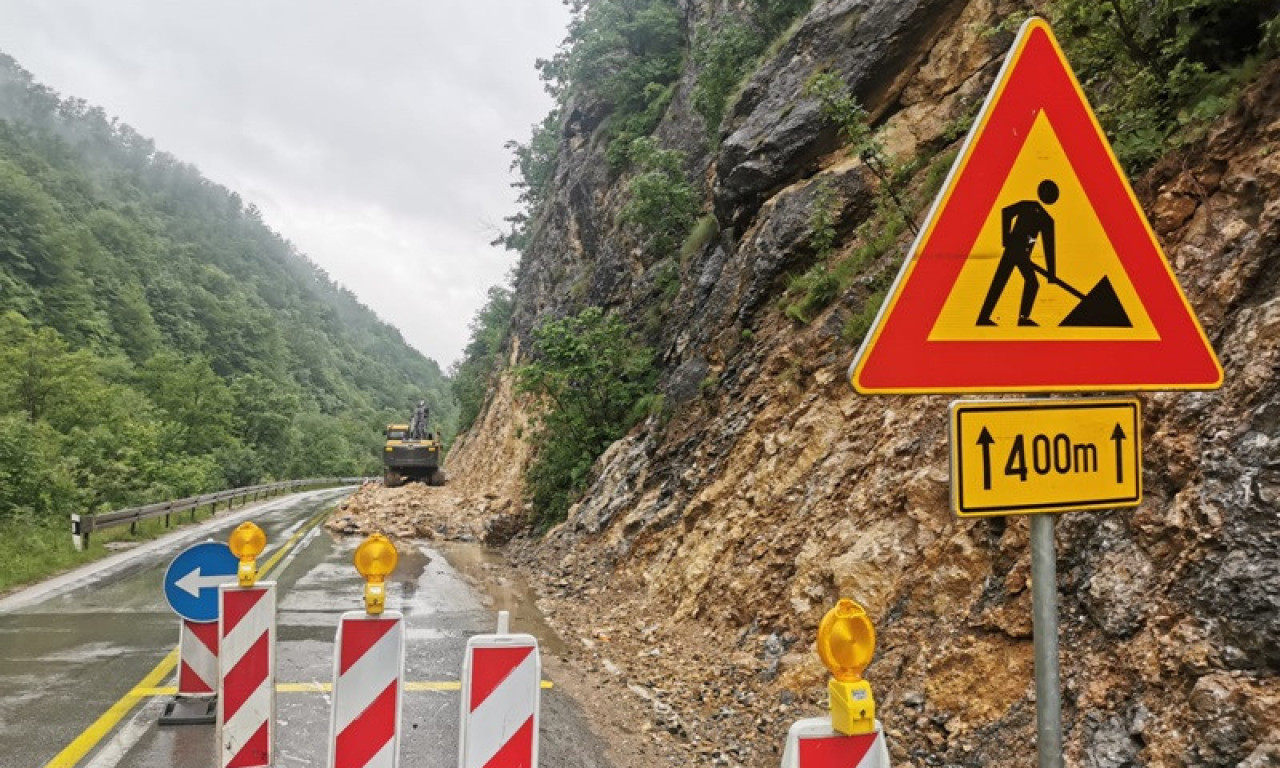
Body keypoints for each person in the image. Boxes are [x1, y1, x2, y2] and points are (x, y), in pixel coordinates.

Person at [977, 179, 1058, 327]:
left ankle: (992, 318)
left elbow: (1049, 247)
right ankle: (1020, 319)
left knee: (1006, 282)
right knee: (1018, 283)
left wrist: (1051, 273)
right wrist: (1006, 239)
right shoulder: (1033, 209)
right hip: (1015, 252)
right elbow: (1006, 212)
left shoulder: (1044, 218)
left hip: (1019, 254)